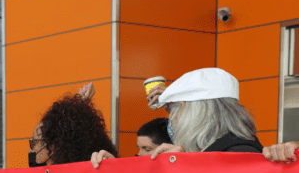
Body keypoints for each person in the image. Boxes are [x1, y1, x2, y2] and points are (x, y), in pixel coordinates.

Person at [92, 68, 261, 167]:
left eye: (173, 111)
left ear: (192, 113)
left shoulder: (240, 155)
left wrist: (185, 166)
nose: (173, 121)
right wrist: (115, 172)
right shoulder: (229, 149)